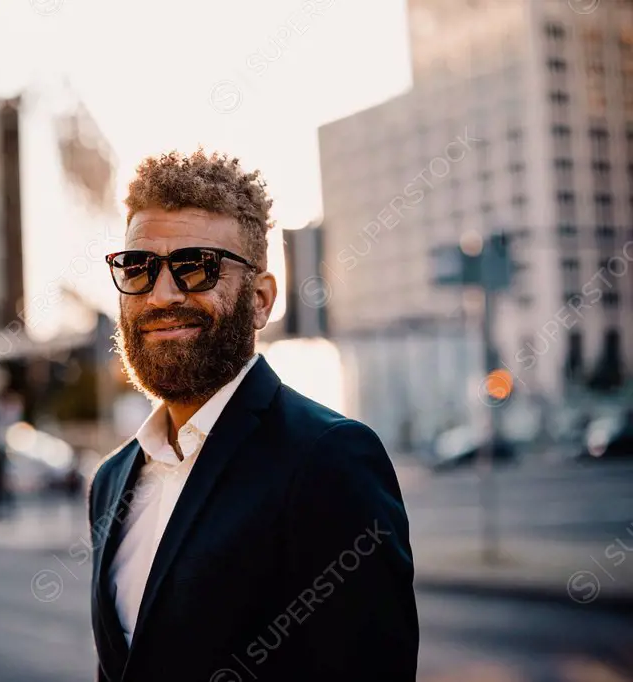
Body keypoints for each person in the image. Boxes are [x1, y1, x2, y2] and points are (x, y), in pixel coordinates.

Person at [87, 150, 418, 682]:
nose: (161, 294)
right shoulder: (111, 481)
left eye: (196, 267)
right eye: (138, 268)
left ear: (261, 299)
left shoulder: (330, 459)